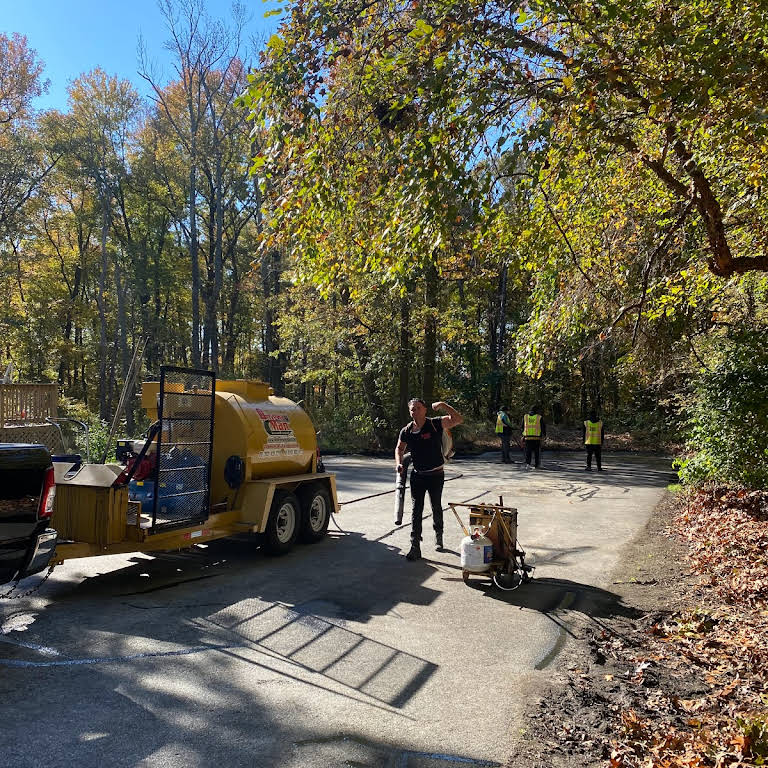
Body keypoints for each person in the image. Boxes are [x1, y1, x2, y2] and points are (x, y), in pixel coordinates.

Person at [395, 398, 463, 561]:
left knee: (436, 506)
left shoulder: (435, 424)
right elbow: (399, 448)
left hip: (436, 475)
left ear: (425, 410)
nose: (415, 411)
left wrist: (443, 406)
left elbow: (458, 419)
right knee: (416, 510)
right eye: (412, 409)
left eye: (418, 408)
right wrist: (399, 463)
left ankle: (438, 536)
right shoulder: (407, 430)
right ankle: (415, 546)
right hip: (417, 475)